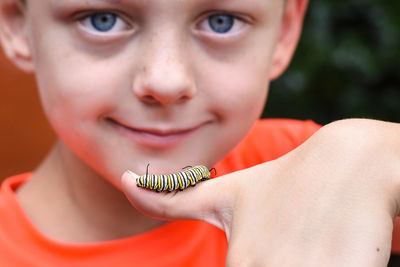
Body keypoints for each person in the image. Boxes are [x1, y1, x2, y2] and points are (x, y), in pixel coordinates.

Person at [0, 0, 399, 266]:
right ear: (18, 24)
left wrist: (370, 153)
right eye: (102, 19)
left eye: (220, 22)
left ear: (284, 32)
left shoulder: (309, 167)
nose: (167, 80)